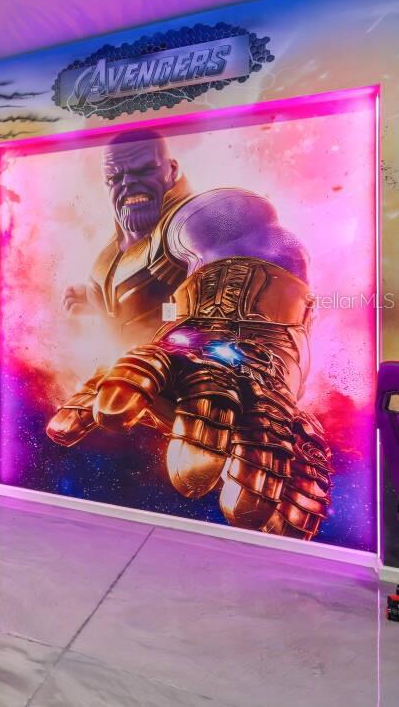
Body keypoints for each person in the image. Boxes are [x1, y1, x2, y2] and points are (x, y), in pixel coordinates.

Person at [47, 128, 330, 540]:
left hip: (216, 410)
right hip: (140, 416)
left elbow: (248, 238)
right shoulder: (107, 259)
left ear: (171, 169)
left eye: (143, 170)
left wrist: (250, 346)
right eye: (116, 177)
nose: (129, 185)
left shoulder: (197, 215)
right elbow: (133, 310)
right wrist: (92, 301)